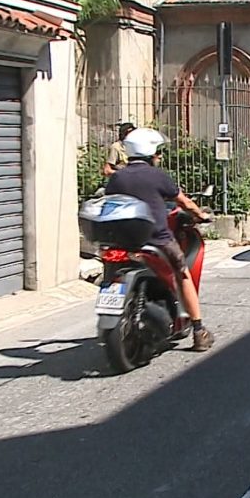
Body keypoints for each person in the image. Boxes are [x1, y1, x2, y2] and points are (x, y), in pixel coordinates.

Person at [105, 128, 214, 351]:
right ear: (149, 153)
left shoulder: (117, 177)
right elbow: (184, 202)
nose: (160, 157)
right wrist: (201, 215)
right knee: (182, 273)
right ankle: (199, 330)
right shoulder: (157, 176)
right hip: (156, 239)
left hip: (122, 242)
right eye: (158, 153)